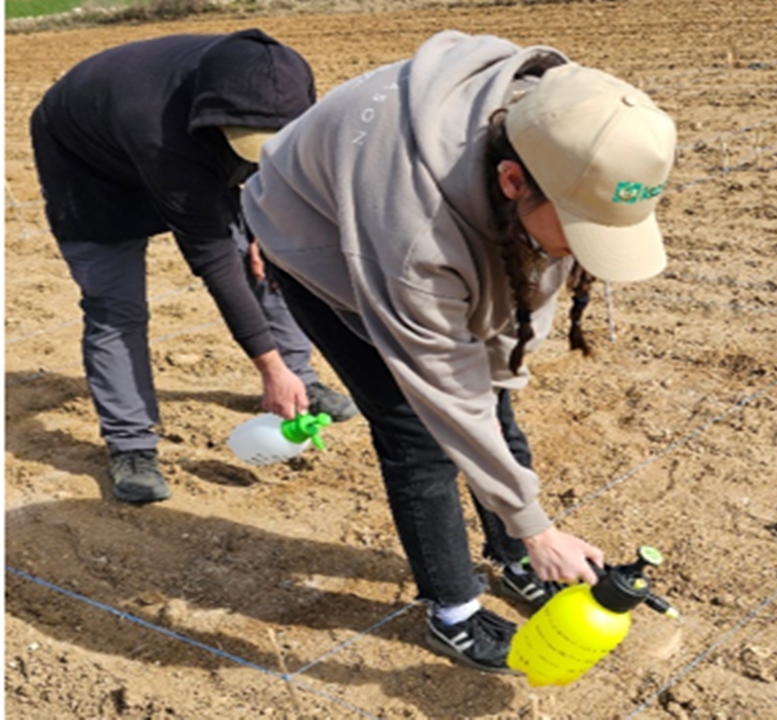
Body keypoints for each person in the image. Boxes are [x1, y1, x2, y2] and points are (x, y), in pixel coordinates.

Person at [241, 30, 677, 673]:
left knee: (493, 401)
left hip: (433, 217)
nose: (585, 252)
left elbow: (531, 291)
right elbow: (442, 380)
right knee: (415, 431)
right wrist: (536, 521)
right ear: (511, 181)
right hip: (320, 237)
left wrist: (503, 383)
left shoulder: (569, 121)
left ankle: (516, 559)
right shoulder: (415, 239)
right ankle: (453, 614)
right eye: (579, 231)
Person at [30, 29, 359, 506]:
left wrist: (263, 229)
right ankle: (131, 445)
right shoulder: (160, 134)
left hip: (196, 143)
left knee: (270, 257)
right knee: (116, 305)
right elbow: (212, 260)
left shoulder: (281, 82)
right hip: (88, 170)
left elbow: (282, 169)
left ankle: (299, 379)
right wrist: (266, 367)